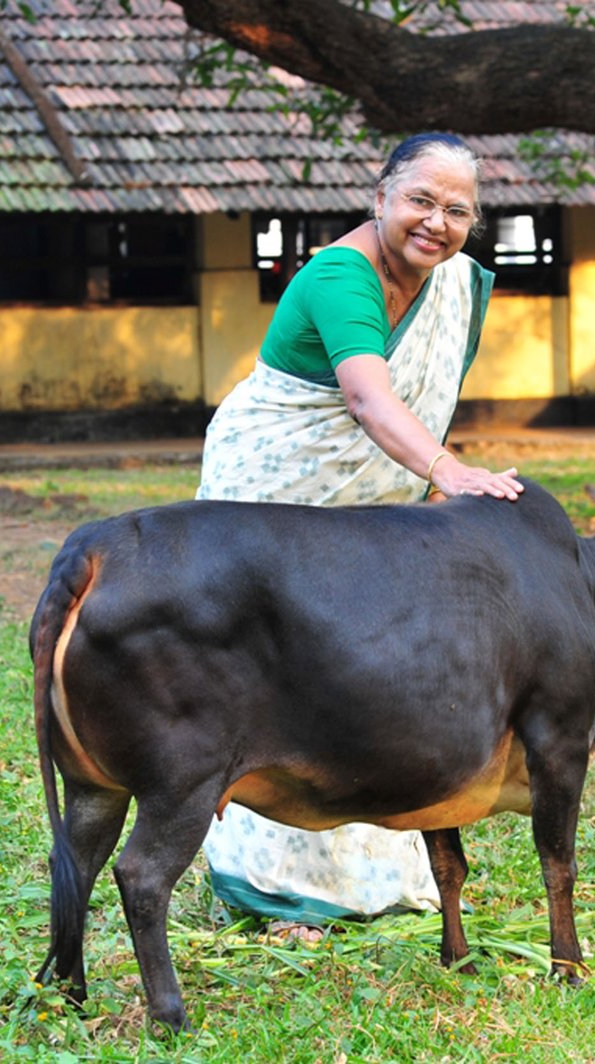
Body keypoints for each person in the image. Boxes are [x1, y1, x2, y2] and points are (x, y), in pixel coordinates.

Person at [195, 133, 526, 929]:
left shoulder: (445, 285)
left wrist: (428, 478)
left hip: (368, 507)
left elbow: (418, 396)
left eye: (458, 211)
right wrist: (449, 474)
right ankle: (273, 884)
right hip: (273, 488)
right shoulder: (343, 274)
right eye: (421, 199)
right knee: (278, 674)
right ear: (379, 196)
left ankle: (375, 859)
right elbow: (371, 401)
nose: (437, 223)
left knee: (364, 668)